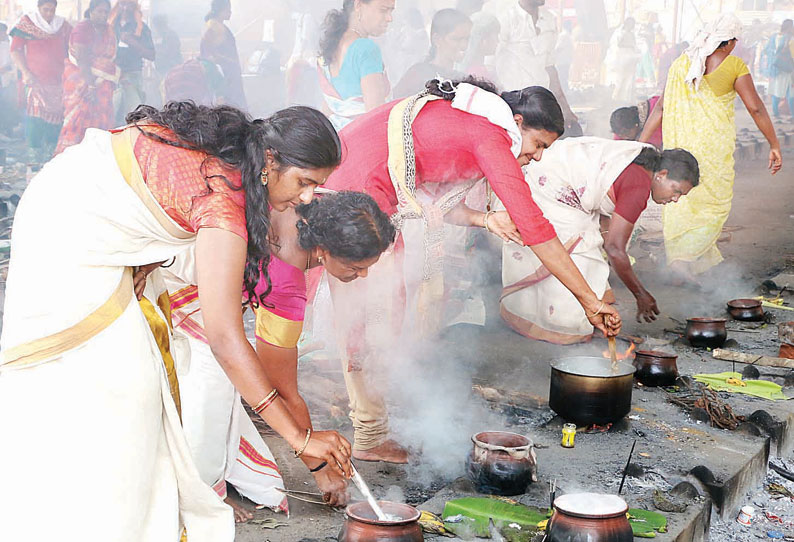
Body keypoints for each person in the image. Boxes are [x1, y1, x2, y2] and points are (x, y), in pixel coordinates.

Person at [0, 101, 352, 541]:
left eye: (317, 187)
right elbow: (225, 338)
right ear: (269, 160)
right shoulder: (222, 195)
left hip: (97, 222)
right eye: (304, 182)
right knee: (122, 391)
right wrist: (301, 442)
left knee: (136, 384)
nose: (306, 197)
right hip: (72, 231)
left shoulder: (237, 167)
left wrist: (144, 248)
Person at [320, 78, 622, 462]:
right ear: (517, 122)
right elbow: (535, 227)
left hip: (363, 186)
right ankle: (367, 432)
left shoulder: (472, 120)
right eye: (539, 145)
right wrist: (589, 301)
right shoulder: (492, 135)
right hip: (354, 191)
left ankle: (375, 421)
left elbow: (426, 193)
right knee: (371, 313)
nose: (539, 156)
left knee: (385, 309)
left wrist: (484, 220)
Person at [162, 191, 396, 520]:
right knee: (212, 388)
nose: (364, 276)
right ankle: (197, 500)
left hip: (197, 273)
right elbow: (281, 389)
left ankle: (207, 481)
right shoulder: (285, 280)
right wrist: (317, 463)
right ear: (326, 251)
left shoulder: (311, 204)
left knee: (222, 382)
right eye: (356, 267)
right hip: (173, 282)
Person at [501, 142, 699, 343]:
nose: (675, 199)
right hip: (550, 189)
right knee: (573, 252)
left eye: (680, 195)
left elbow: (603, 199)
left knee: (588, 246)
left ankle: (590, 316)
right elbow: (614, 249)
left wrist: (605, 237)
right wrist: (641, 295)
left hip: (553, 180)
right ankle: (556, 326)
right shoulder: (639, 185)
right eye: (677, 191)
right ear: (662, 174)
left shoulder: (639, 165)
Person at [639, 14, 782, 280]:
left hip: (679, 153)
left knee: (681, 202)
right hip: (712, 153)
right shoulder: (733, 65)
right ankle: (683, 261)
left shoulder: (681, 64)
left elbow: (661, 107)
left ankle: (694, 259)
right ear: (727, 43)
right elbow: (756, 108)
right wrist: (774, 143)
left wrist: (640, 144)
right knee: (714, 205)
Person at [487, 0, 578, 129]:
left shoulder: (549, 19)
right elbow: (490, 65)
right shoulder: (506, 18)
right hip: (512, 104)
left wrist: (565, 108)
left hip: (540, 103)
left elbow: (550, 67)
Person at [317, 0, 394, 130]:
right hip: (362, 141)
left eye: (391, 11)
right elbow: (376, 115)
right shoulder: (366, 48)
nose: (389, 18)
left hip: (337, 140)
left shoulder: (332, 45)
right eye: (383, 10)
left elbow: (328, 108)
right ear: (358, 5)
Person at [9, 0, 71, 161]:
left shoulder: (62, 26)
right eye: (45, 10)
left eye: (52, 10)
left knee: (57, 116)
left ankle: (52, 151)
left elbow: (72, 47)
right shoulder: (27, 23)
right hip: (34, 79)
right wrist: (25, 72)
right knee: (35, 117)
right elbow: (16, 50)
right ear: (38, 8)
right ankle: (34, 153)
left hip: (58, 81)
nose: (49, 14)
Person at [54, 0, 117, 154]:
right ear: (91, 12)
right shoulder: (82, 29)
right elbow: (82, 58)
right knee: (78, 119)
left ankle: (96, 154)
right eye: (100, 11)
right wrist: (90, 85)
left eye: (105, 12)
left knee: (101, 117)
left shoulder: (109, 30)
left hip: (102, 82)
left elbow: (110, 57)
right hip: (80, 79)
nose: (103, 15)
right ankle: (71, 154)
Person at [393, 9, 472, 98]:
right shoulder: (418, 74)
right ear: (437, 39)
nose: (464, 45)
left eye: (467, 39)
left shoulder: (460, 78)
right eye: (456, 39)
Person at [110, 0, 155, 124]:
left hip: (132, 76)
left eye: (129, 4)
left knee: (134, 117)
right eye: (122, 4)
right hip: (112, 77)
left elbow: (151, 55)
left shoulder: (141, 28)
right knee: (112, 116)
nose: (125, 8)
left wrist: (132, 42)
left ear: (134, 6)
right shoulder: (111, 25)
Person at [201, 0, 247, 109]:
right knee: (230, 104)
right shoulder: (213, 26)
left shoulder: (218, 25)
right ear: (220, 11)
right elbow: (209, 53)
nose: (230, 13)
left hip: (229, 72)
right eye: (228, 10)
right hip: (224, 74)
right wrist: (229, 62)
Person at [763, 20, 794, 117]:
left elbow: (765, 50)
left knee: (775, 90)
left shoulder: (773, 37)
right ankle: (793, 115)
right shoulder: (790, 38)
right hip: (787, 68)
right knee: (790, 91)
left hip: (774, 68)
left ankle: (776, 113)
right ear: (790, 27)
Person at [605, 17, 640, 102]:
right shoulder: (619, 33)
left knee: (628, 82)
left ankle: (625, 100)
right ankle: (615, 99)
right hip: (619, 61)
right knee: (618, 81)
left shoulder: (631, 34)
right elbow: (618, 45)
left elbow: (634, 46)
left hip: (630, 61)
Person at [461, 12, 500, 83]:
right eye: (495, 36)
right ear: (483, 40)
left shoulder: (474, 68)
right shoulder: (477, 75)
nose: (498, 41)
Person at [151, 15, 182, 80]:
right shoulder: (161, 36)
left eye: (156, 27)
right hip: (163, 70)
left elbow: (171, 52)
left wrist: (157, 51)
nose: (155, 29)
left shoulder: (171, 35)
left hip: (172, 69)